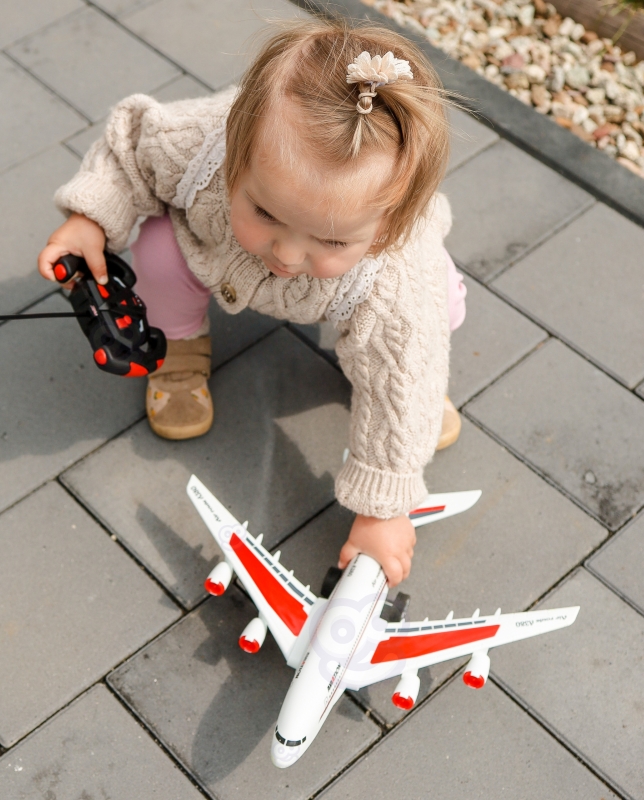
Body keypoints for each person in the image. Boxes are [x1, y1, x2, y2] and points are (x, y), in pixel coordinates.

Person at [37, 19, 467, 587]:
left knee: (413, 352)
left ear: (387, 228)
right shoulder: (204, 142)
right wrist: (90, 217)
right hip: (211, 256)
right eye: (265, 212)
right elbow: (130, 153)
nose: (286, 253)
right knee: (158, 254)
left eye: (331, 240)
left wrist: (384, 507)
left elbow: (404, 364)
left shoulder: (396, 272)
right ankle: (178, 348)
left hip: (380, 305)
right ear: (235, 151)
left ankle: (416, 403)